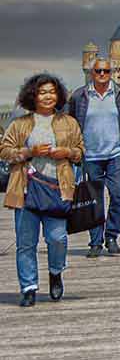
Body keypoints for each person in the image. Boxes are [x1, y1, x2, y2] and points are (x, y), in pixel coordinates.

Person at [2, 73, 84, 306]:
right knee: (25, 242)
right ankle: (28, 287)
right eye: (42, 92)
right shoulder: (20, 124)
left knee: (57, 238)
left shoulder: (69, 122)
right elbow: (5, 151)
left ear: (58, 95)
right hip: (26, 189)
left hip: (58, 189)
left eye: (51, 92)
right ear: (33, 95)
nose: (47, 96)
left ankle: (55, 272)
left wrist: (66, 152)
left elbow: (80, 151)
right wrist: (29, 152)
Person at [67, 59, 120, 258]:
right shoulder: (79, 96)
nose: (102, 74)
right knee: (94, 200)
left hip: (116, 154)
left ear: (111, 73)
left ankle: (112, 236)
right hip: (90, 156)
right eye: (98, 70)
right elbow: (70, 122)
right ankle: (96, 242)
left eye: (106, 71)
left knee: (117, 194)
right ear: (91, 73)